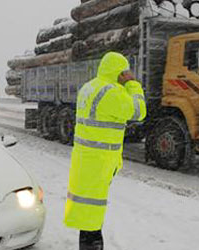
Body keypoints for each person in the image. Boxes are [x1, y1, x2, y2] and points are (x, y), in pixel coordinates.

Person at [64, 52, 147, 250]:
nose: (128, 75)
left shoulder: (90, 86)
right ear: (120, 72)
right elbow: (139, 111)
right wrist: (133, 85)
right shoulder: (112, 92)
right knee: (93, 208)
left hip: (85, 156)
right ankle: (92, 245)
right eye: (126, 72)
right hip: (99, 160)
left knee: (86, 207)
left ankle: (87, 242)